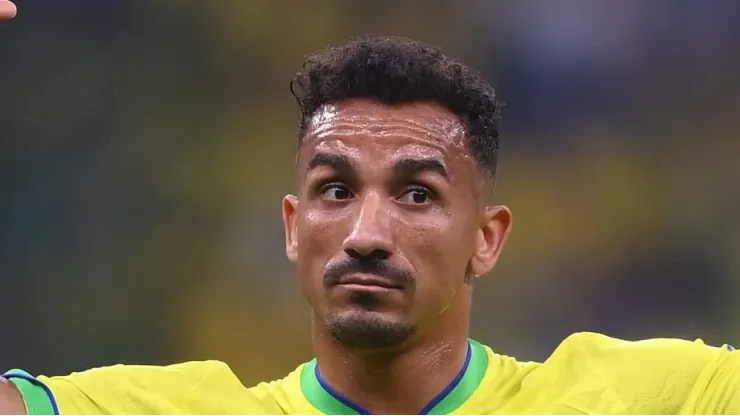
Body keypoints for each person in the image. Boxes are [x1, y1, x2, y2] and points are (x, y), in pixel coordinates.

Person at [1, 2, 739, 414]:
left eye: (417, 194)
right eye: (336, 189)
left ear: (487, 239)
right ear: (293, 228)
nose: (366, 234)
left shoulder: (634, 399)